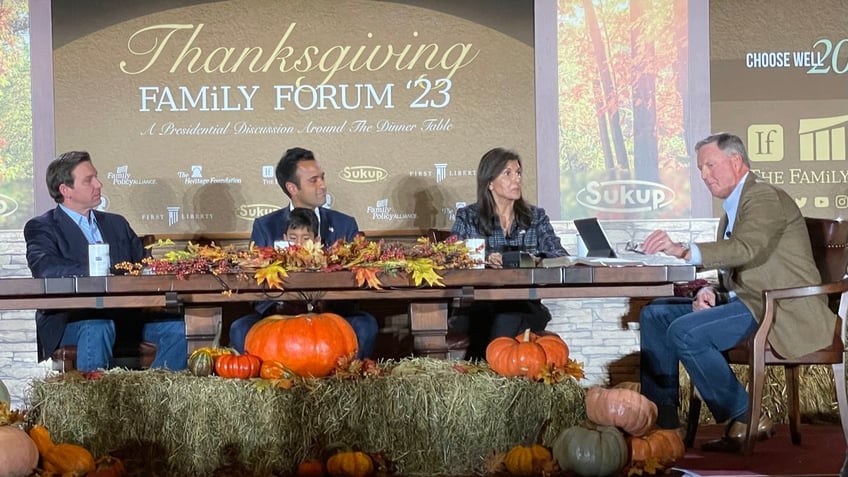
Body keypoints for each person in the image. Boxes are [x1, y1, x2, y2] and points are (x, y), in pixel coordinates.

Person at [638, 132, 837, 452]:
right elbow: (744, 272)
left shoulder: (762, 197)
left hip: (777, 307)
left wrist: (683, 250)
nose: (704, 175)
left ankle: (747, 416)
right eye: (700, 168)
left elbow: (747, 249)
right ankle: (664, 425)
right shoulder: (731, 211)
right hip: (750, 302)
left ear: (736, 161)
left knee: (686, 333)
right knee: (655, 314)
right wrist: (712, 293)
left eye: (710, 165)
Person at [24, 151, 188, 371]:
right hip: (71, 320)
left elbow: (142, 266)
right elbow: (45, 269)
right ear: (66, 190)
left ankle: (151, 397)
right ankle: (98, 403)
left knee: (178, 329)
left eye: (96, 177)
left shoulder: (116, 223)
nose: (98, 184)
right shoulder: (42, 227)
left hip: (124, 317)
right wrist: (101, 271)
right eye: (88, 180)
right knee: (98, 326)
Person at [229, 147, 378, 358]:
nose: (323, 186)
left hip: (333, 315)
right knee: (240, 329)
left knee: (365, 325)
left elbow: (358, 278)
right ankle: (272, 387)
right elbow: (255, 282)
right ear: (292, 187)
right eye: (314, 180)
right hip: (279, 317)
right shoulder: (266, 226)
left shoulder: (344, 224)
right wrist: (281, 310)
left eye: (322, 178)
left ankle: (348, 384)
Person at [450, 147, 568, 360]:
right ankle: (496, 379)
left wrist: (532, 259)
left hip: (525, 303)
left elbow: (560, 255)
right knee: (499, 318)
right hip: (479, 304)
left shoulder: (535, 217)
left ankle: (489, 380)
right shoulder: (468, 217)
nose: (516, 180)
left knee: (507, 316)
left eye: (519, 173)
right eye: (508, 173)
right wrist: (485, 259)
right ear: (489, 182)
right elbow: (451, 257)